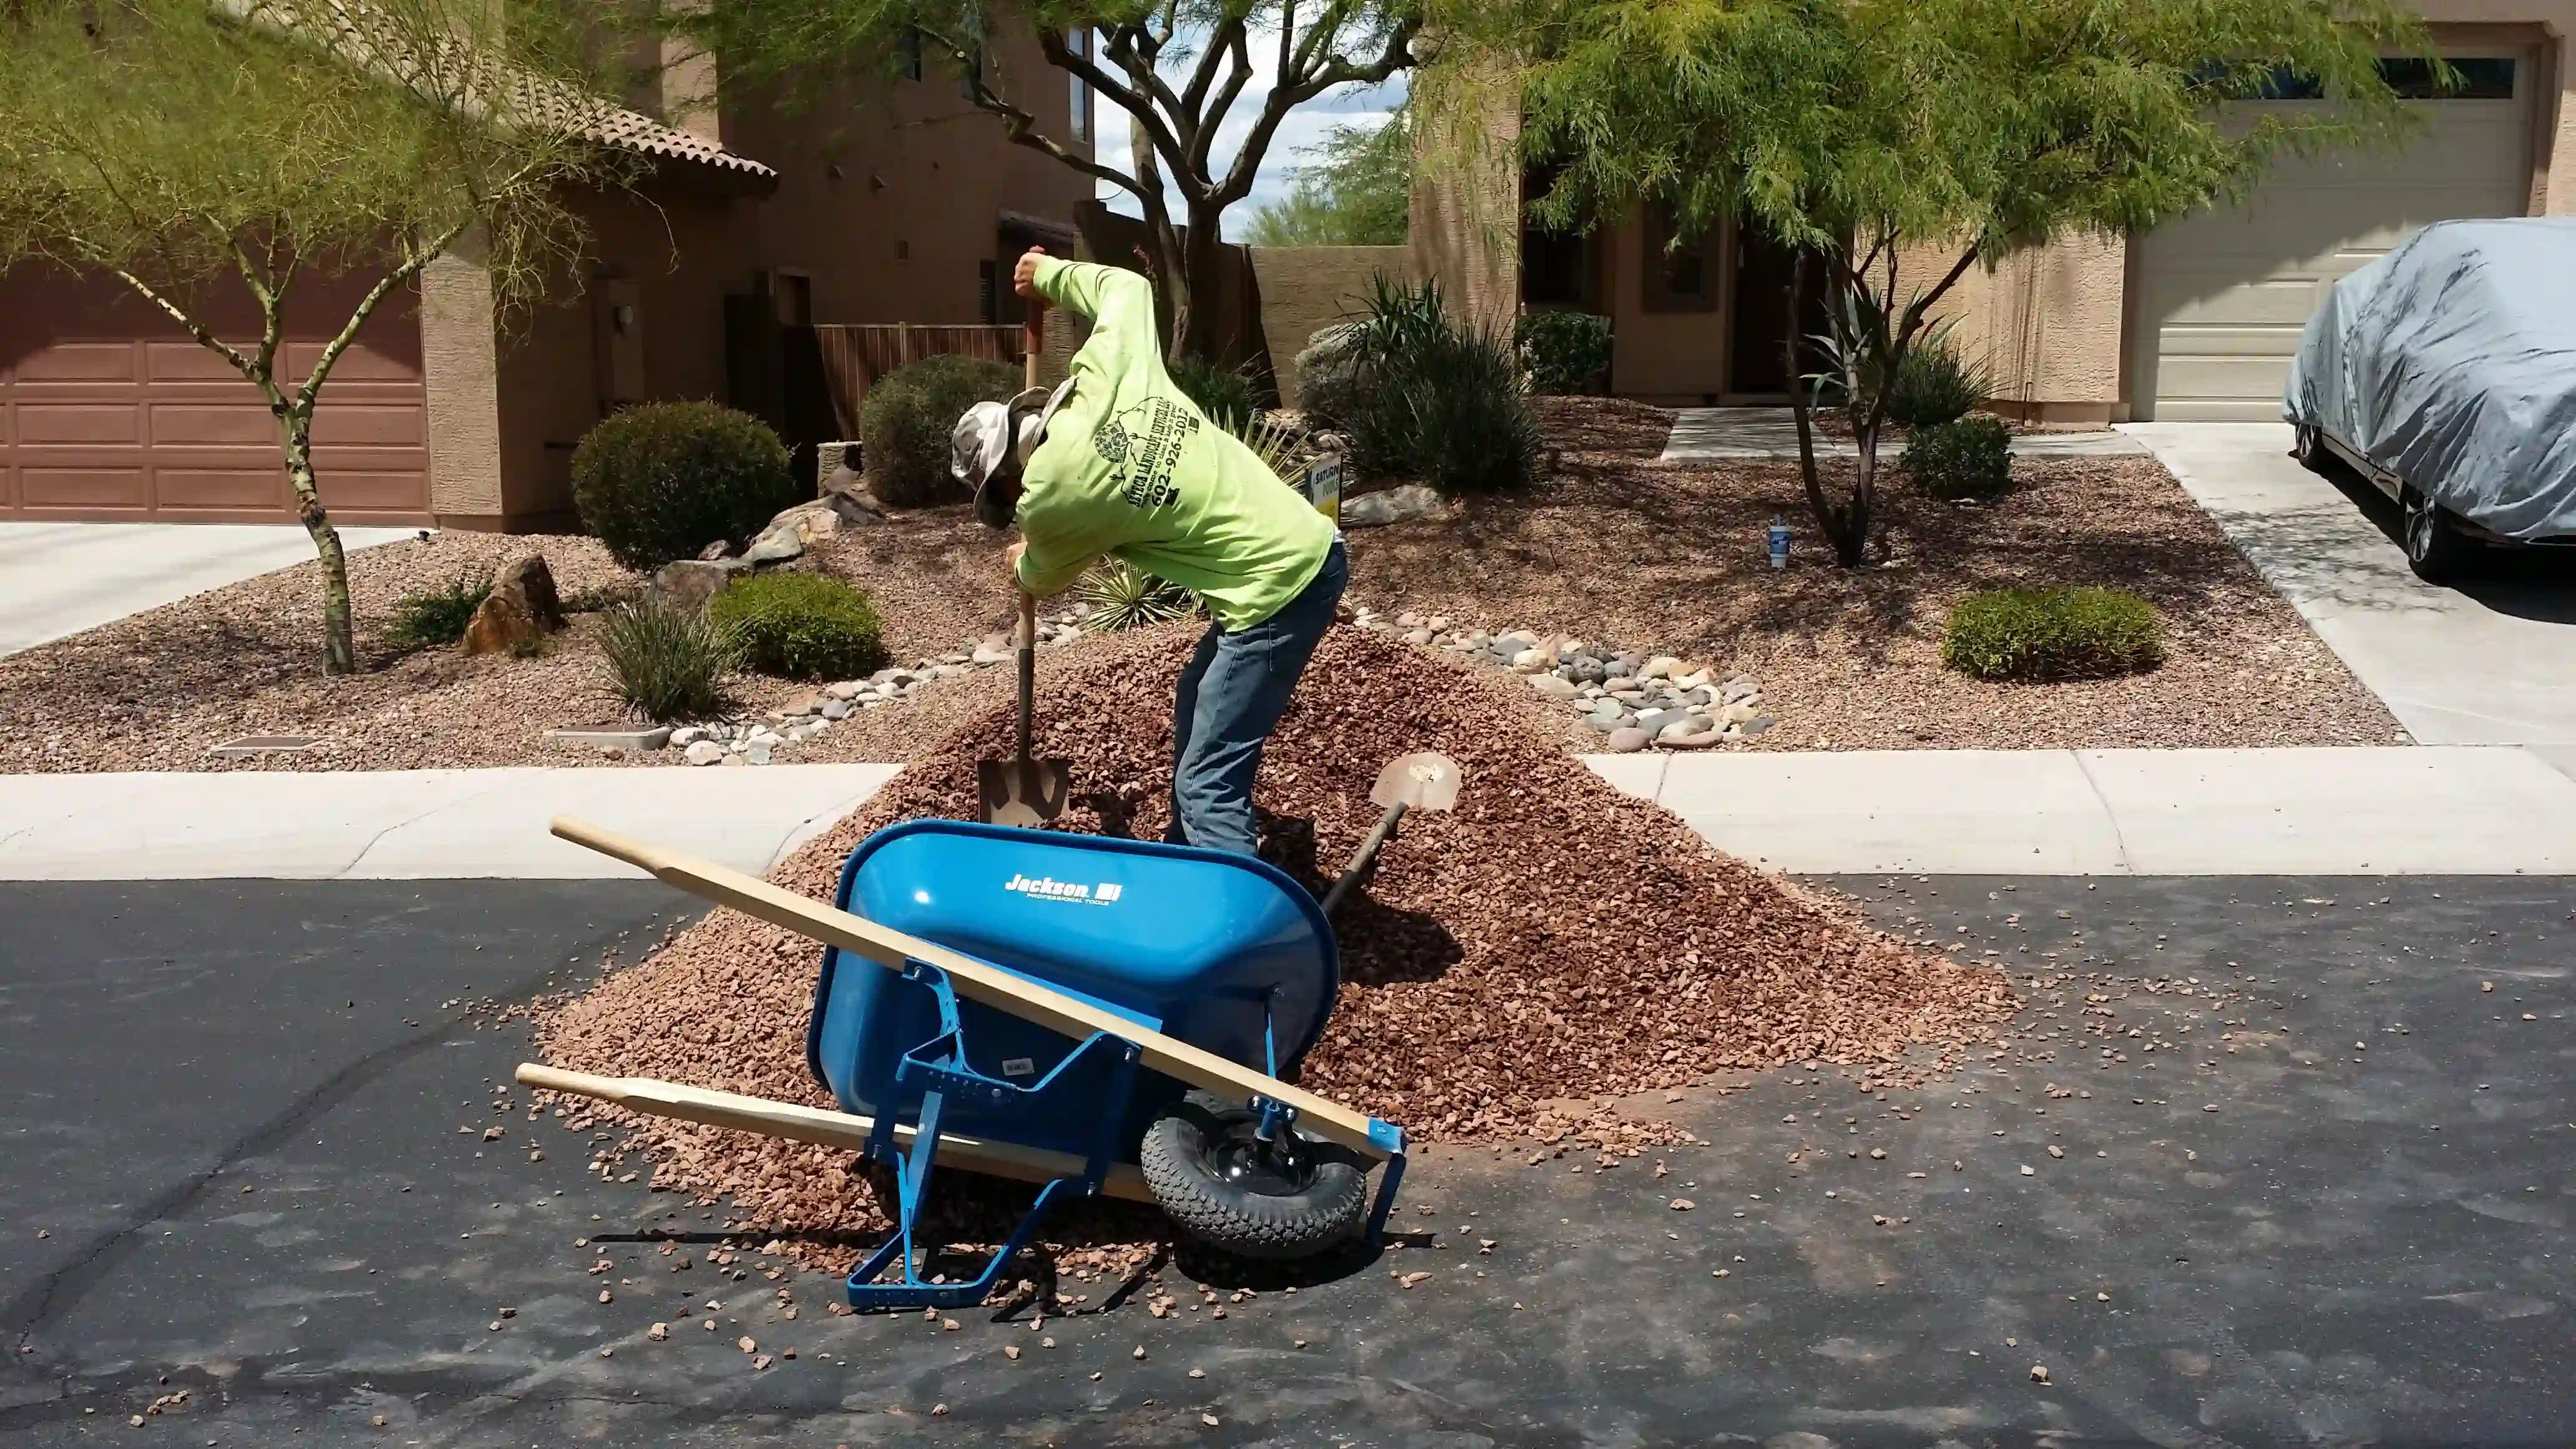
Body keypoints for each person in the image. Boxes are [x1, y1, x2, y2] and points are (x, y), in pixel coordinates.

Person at [950, 247, 1344, 857]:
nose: (1011, 508)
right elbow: (1128, 288)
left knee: (1207, 781)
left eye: (1002, 499)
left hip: (1277, 591)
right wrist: (1048, 276)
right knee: (1197, 693)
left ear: (1006, 476)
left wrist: (1021, 563)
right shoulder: (1110, 372)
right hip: (1308, 546)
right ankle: (1188, 856)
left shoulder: (1050, 503)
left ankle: (1236, 932)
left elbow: (1041, 576)